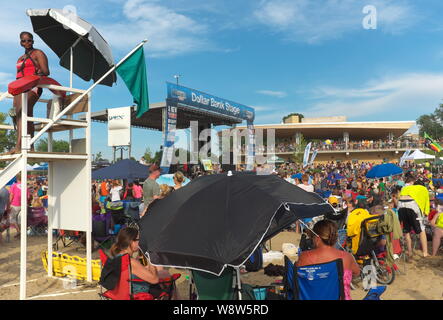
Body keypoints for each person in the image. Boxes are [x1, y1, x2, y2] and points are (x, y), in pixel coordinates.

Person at [297, 220, 360, 300]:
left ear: (317, 238)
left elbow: (297, 278)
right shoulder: (347, 257)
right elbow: (356, 273)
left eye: (312, 237)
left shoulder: (305, 256)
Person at [10, 32, 50, 153]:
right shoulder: (20, 58)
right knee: (18, 115)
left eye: (29, 40)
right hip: (20, 87)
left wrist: (34, 76)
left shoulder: (38, 53)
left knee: (23, 111)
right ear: (20, 42)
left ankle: (19, 146)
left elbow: (46, 71)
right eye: (24, 41)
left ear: (33, 41)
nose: (27, 43)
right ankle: (30, 146)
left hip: (33, 86)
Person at [109, 227, 160, 296]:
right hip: (138, 293)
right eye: (139, 239)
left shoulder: (119, 256)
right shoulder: (130, 261)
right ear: (131, 242)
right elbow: (155, 280)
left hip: (123, 292)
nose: (140, 242)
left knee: (164, 273)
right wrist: (151, 260)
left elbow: (132, 271)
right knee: (167, 282)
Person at [8, 173, 30, 238]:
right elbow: (28, 197)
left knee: (12, 219)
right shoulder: (25, 186)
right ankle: (22, 233)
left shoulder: (14, 186)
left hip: (15, 204)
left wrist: (8, 204)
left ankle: (18, 231)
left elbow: (11, 195)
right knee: (21, 219)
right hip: (23, 205)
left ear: (16, 178)